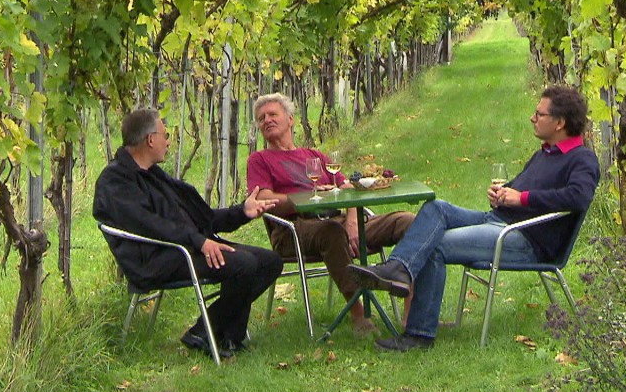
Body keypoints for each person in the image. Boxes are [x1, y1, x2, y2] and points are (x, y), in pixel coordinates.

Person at [348, 85, 600, 351]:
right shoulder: (544, 153)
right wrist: (503, 194)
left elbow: (579, 197)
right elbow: (521, 188)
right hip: (497, 221)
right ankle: (399, 268)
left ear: (559, 122)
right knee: (437, 207)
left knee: (435, 246)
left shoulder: (582, 159)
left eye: (539, 114)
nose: (532, 118)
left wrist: (521, 198)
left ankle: (419, 335)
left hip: (525, 239)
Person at [93, 108, 283, 359]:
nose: (169, 141)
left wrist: (242, 212)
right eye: (165, 134)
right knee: (244, 264)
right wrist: (199, 241)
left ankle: (208, 331)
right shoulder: (115, 181)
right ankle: (220, 335)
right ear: (150, 140)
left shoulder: (155, 176)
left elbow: (203, 219)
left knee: (270, 262)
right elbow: (151, 225)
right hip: (154, 258)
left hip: (183, 249)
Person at [246, 93, 415, 335]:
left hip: (340, 221)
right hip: (294, 230)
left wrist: (354, 223)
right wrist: (313, 199)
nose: (267, 120)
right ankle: (358, 314)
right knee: (332, 232)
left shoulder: (315, 156)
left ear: (291, 119)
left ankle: (414, 312)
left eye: (273, 114)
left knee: (407, 222)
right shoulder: (259, 159)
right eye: (261, 118)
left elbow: (347, 189)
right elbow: (262, 198)